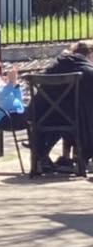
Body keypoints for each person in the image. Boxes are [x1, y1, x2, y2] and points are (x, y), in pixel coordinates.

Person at [30, 40, 93, 172]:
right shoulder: (87, 71)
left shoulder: (54, 66)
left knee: (65, 111)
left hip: (41, 115)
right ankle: (83, 157)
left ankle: (42, 156)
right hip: (74, 121)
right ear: (90, 54)